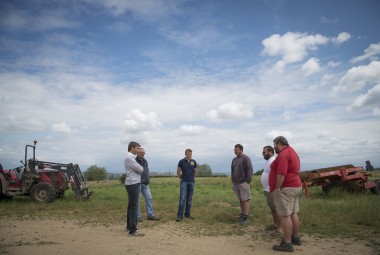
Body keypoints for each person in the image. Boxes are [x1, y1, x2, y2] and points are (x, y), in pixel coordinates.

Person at [269, 136, 302, 252]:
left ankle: (287, 243)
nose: (274, 147)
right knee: (293, 213)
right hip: (295, 186)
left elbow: (281, 173)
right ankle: (295, 237)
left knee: (284, 215)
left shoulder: (283, 154)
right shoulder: (292, 152)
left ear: (279, 143)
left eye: (274, 145)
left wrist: (277, 188)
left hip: (285, 188)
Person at [124, 141, 145, 237]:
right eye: (137, 148)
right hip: (133, 183)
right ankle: (133, 230)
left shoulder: (131, 158)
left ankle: (129, 226)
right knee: (134, 207)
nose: (138, 150)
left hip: (132, 183)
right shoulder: (129, 158)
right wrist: (140, 168)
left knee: (131, 206)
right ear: (132, 148)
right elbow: (141, 169)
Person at [261, 145, 281, 234]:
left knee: (275, 209)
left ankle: (279, 228)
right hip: (267, 189)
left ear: (270, 152)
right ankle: (275, 225)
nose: (263, 154)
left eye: (264, 152)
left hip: (271, 189)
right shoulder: (269, 161)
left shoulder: (273, 160)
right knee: (272, 208)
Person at [231, 144, 253, 225]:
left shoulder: (246, 158)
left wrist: (247, 182)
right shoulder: (234, 160)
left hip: (243, 183)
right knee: (241, 199)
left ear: (241, 150)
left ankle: (246, 216)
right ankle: (243, 214)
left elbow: (250, 170)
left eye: (236, 150)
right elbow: (232, 171)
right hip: (236, 183)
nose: (235, 151)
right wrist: (233, 181)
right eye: (234, 150)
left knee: (245, 200)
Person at [136, 147, 160, 221]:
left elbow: (147, 170)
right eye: (142, 153)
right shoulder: (135, 161)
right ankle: (138, 216)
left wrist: (148, 178)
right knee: (137, 200)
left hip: (146, 184)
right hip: (138, 183)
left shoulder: (145, 161)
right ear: (138, 153)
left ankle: (150, 215)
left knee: (149, 199)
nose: (143, 154)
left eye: (144, 153)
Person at [176, 148, 198, 222]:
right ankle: (179, 216)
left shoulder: (193, 161)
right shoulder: (181, 161)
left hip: (191, 182)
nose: (190, 155)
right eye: (189, 154)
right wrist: (181, 179)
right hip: (184, 182)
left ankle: (187, 214)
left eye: (191, 154)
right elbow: (178, 171)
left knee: (189, 199)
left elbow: (196, 171)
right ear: (185, 154)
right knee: (182, 199)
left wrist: (192, 177)